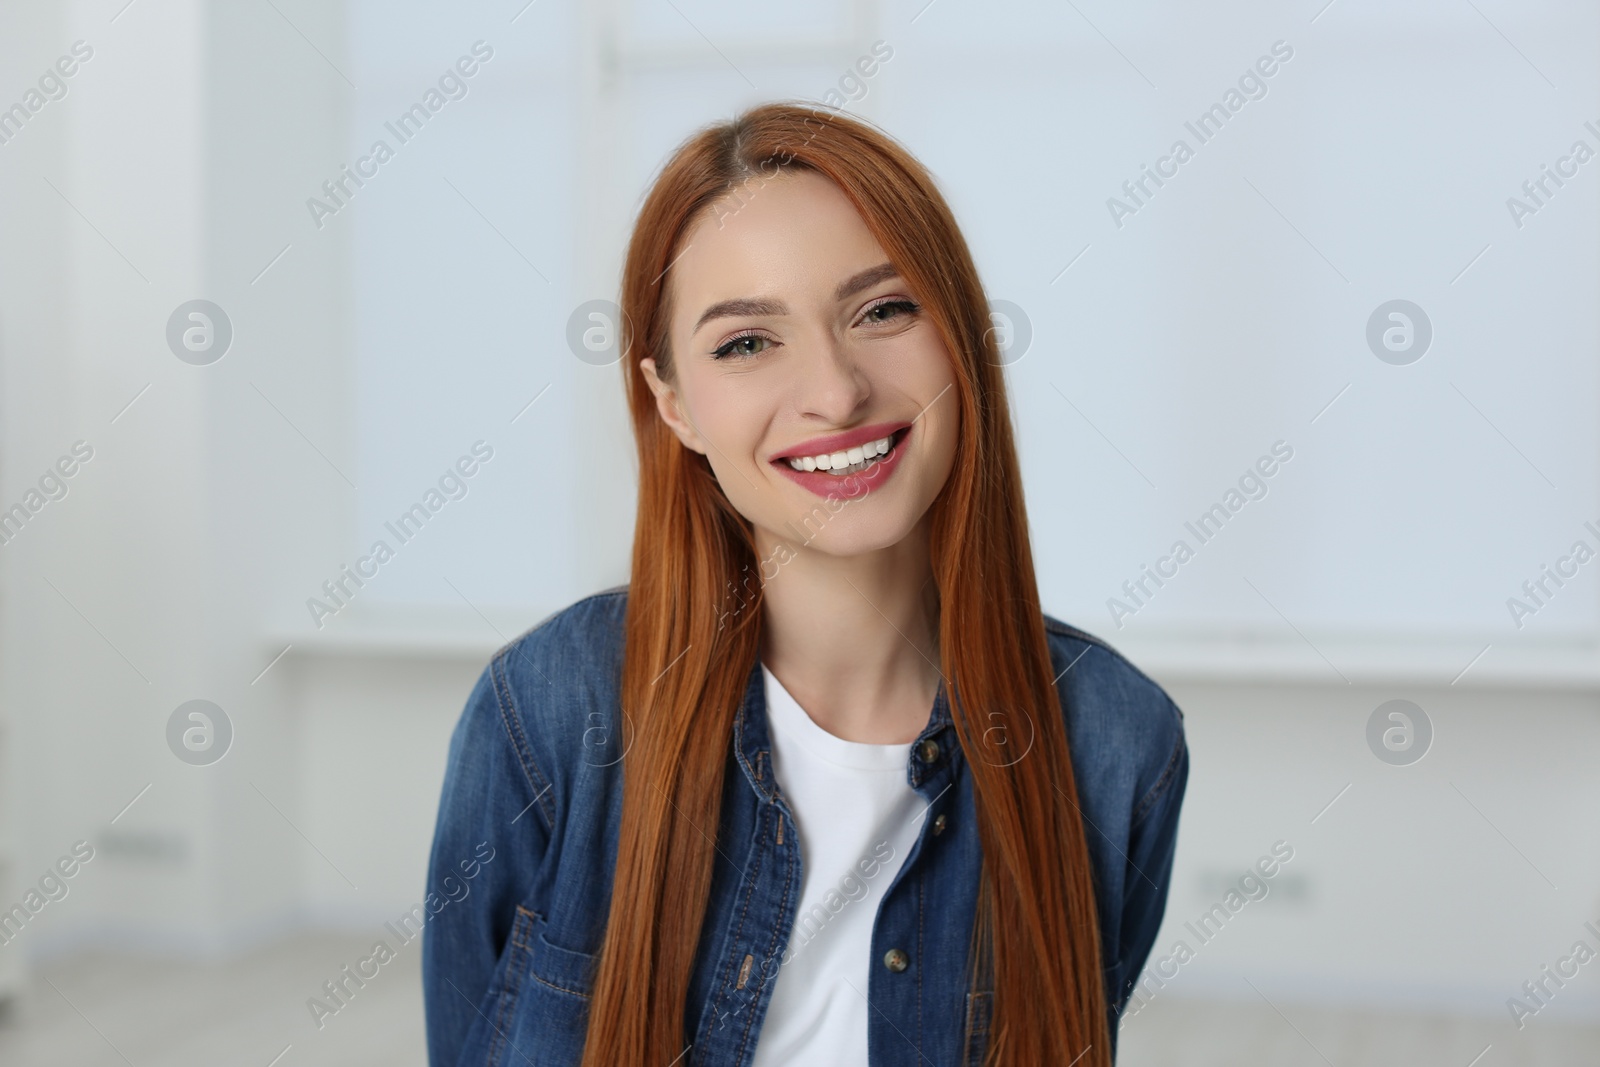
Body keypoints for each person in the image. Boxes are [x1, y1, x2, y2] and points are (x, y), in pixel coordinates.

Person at [422, 101, 1188, 1067]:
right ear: (675, 406)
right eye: (746, 342)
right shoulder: (544, 712)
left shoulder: (1116, 743)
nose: (836, 389)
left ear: (962, 338)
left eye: (883, 310)